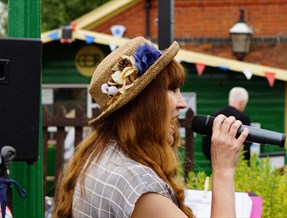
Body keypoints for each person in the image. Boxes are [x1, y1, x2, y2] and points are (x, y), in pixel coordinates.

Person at [53, 36, 248, 218]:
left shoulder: (99, 155)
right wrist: (223, 170)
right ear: (144, 104)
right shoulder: (136, 184)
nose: (182, 103)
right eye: (172, 90)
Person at [202, 87, 252, 162]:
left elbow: (206, 142)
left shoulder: (215, 116)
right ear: (242, 102)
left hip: (216, 162)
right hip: (237, 165)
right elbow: (246, 145)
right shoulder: (243, 118)